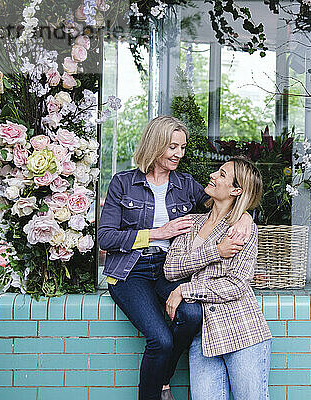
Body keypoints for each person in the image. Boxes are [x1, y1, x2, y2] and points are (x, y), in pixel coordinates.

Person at [97, 116, 252, 400]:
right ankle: (156, 391)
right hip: (130, 272)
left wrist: (245, 216)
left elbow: (223, 203)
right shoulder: (123, 183)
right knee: (160, 340)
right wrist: (157, 233)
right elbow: (105, 238)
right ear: (155, 145)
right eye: (172, 147)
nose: (179, 154)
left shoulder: (185, 184)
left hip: (170, 270)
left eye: (182, 147)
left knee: (192, 314)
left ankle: (162, 378)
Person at [164, 157, 272, 400]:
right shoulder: (191, 222)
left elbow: (235, 285)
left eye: (222, 174)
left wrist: (186, 290)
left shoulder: (242, 229)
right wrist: (216, 251)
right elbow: (171, 269)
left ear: (236, 190)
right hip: (203, 339)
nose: (213, 175)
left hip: (242, 332)